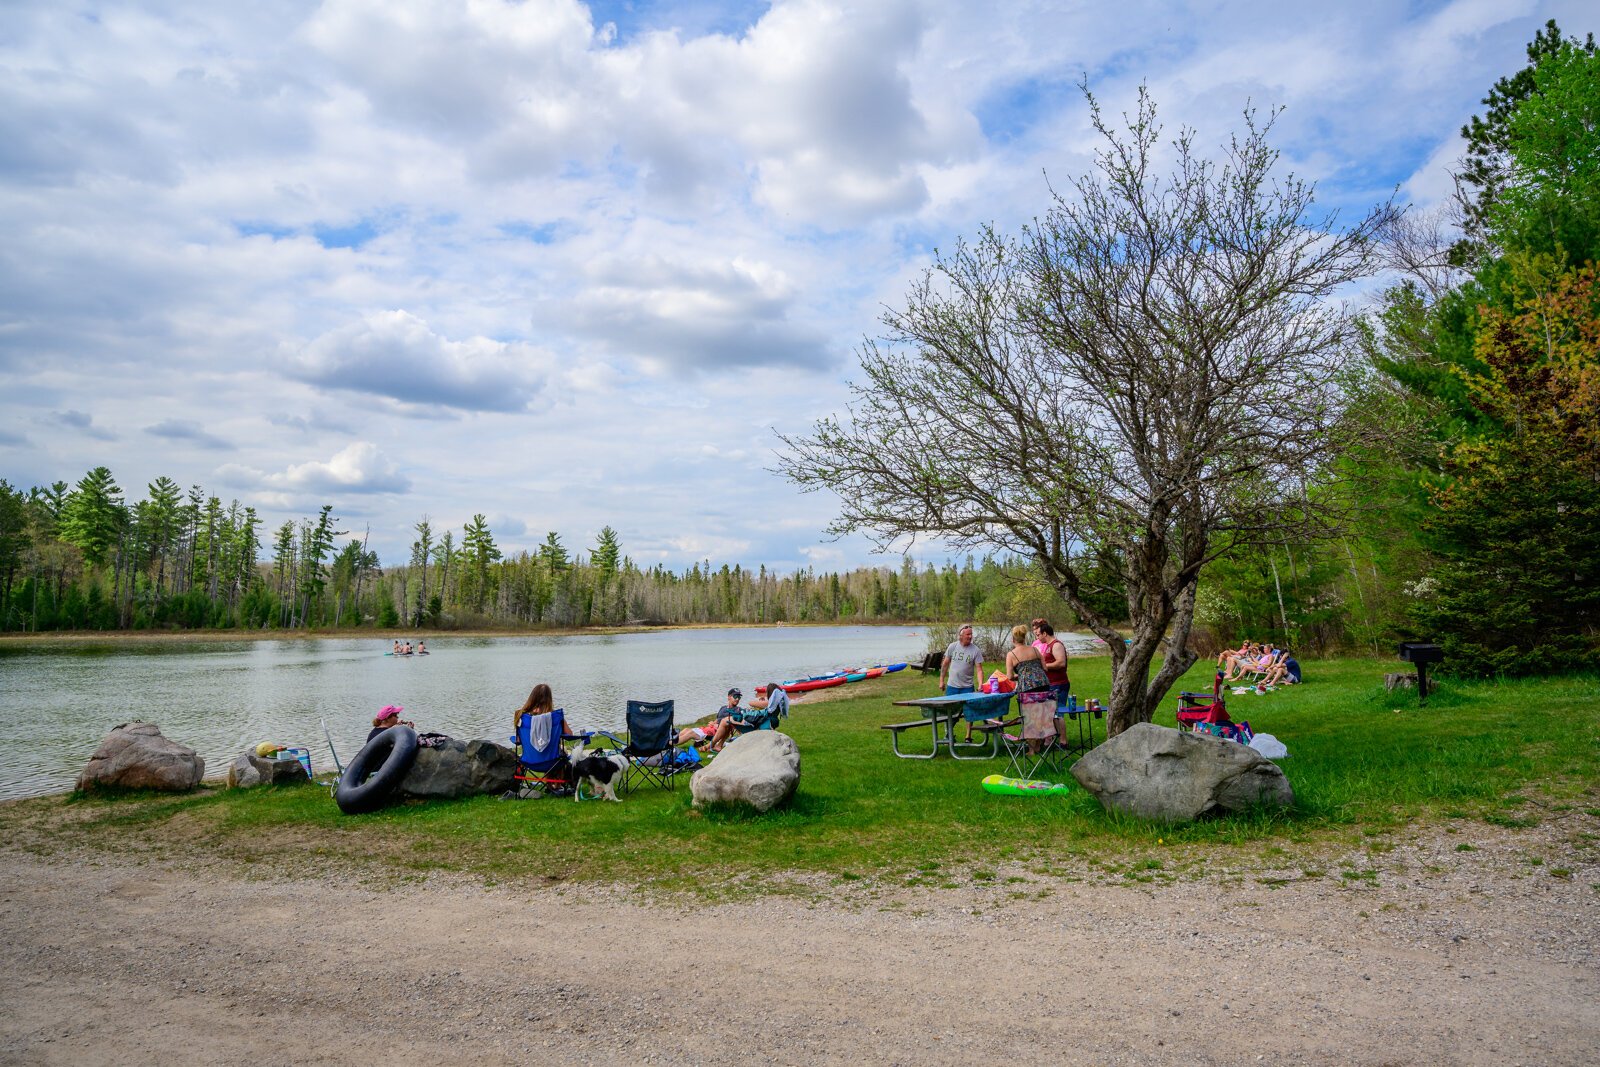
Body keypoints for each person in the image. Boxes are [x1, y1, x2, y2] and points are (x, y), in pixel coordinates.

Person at [513, 683, 582, 783]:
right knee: (561, 751)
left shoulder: (521, 716)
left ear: (532, 697)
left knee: (555, 750)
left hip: (529, 761)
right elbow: (570, 735)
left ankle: (551, 785)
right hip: (552, 761)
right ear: (549, 699)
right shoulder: (555, 717)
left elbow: (518, 740)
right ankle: (556, 784)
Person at [1004, 624, 1055, 752]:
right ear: (1024, 637)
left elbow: (1009, 676)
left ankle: (1032, 750)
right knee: (1041, 716)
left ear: (1013, 639)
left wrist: (1021, 675)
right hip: (1043, 685)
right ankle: (1038, 745)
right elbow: (1045, 668)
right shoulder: (1035, 650)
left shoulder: (1011, 655)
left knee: (1029, 718)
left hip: (1027, 688)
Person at [677, 687, 744, 749]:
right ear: (729, 697)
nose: (737, 699)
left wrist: (717, 725)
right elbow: (718, 719)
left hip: (718, 733)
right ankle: (670, 739)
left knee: (690, 733)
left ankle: (670, 744)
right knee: (686, 730)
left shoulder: (738, 710)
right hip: (711, 729)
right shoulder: (723, 708)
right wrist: (713, 722)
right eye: (735, 696)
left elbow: (733, 725)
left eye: (739, 697)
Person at [1031, 618, 1071, 705]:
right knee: (1050, 714)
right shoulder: (1048, 646)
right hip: (1051, 684)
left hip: (1058, 684)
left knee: (1058, 713)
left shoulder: (1056, 645)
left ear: (1044, 633)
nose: (1037, 638)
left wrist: (1043, 666)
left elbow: (1061, 663)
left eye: (1038, 635)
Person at [939, 624, 984, 697]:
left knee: (966, 708)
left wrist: (980, 684)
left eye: (971, 634)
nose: (970, 636)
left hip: (967, 688)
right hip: (952, 687)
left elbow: (979, 670)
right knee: (950, 708)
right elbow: (945, 665)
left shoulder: (976, 650)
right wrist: (941, 680)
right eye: (968, 634)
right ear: (961, 635)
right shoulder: (952, 646)